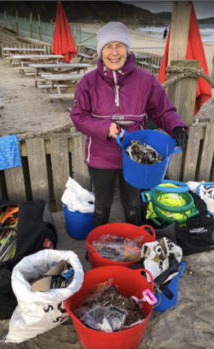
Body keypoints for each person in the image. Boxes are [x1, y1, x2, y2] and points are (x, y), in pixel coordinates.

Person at [70, 21, 187, 227]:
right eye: (108, 46)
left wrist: (176, 126)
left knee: (133, 203)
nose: (114, 52)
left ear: (127, 49)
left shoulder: (146, 79)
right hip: (100, 155)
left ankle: (136, 234)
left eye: (119, 46)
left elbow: (162, 110)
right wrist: (105, 128)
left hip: (136, 157)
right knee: (102, 203)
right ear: (101, 51)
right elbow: (78, 116)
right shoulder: (88, 82)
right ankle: (100, 234)